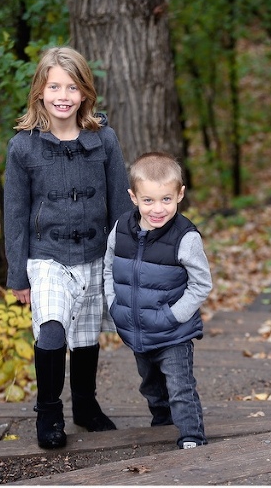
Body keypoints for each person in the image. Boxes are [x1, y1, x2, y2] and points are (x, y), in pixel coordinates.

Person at [3, 46, 134, 449]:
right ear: (40, 91)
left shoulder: (103, 139)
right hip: (45, 256)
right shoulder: (23, 147)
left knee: (85, 335)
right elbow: (14, 214)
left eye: (72, 87)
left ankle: (85, 405)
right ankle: (48, 413)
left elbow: (120, 203)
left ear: (84, 94)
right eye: (54, 86)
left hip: (96, 254)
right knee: (53, 329)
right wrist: (17, 274)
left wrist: (126, 259)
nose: (63, 95)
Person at [103, 152, 213, 449]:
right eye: (148, 200)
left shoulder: (185, 237)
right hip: (136, 329)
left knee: (180, 387)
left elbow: (202, 284)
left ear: (180, 194)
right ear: (134, 197)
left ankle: (191, 436)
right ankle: (162, 423)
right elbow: (109, 266)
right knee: (151, 385)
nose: (157, 209)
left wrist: (173, 316)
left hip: (173, 331)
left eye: (166, 199)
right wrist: (115, 306)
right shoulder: (121, 229)